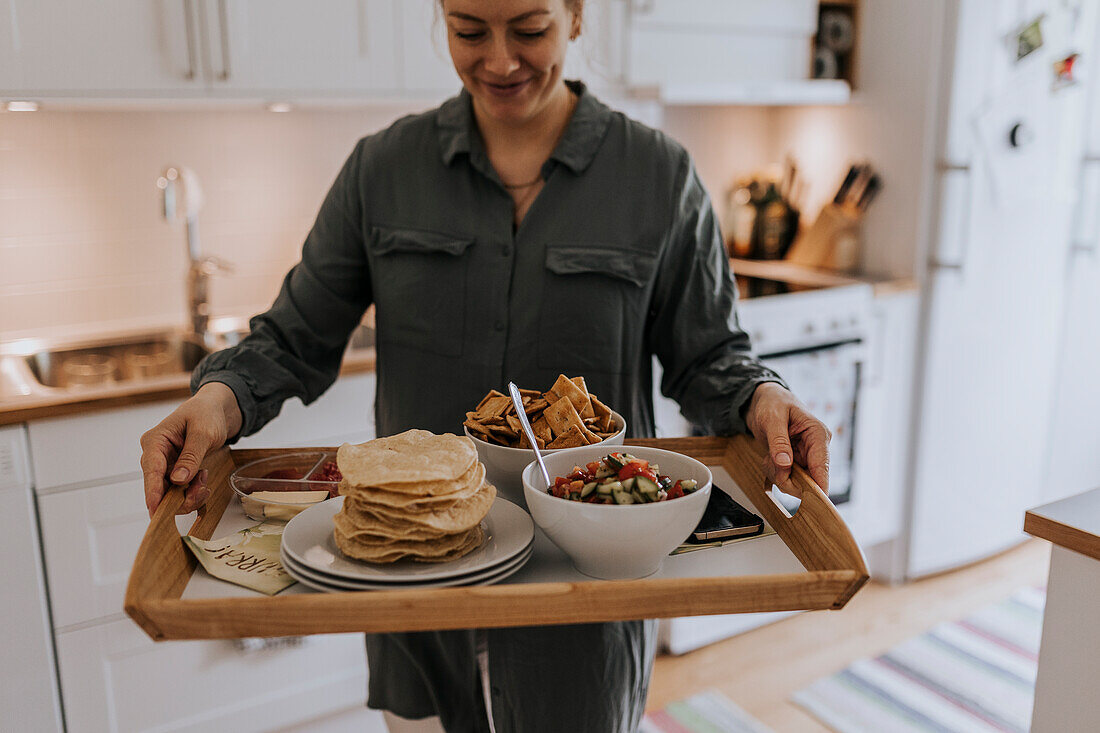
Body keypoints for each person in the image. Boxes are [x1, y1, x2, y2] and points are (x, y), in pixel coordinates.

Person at [140, 1, 832, 731]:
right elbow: (293, 335)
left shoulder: (659, 176)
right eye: (469, 30)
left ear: (575, 16)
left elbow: (712, 356)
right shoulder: (383, 169)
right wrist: (215, 402)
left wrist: (762, 397)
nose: (500, 61)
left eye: (529, 29)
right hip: (414, 585)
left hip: (583, 598)